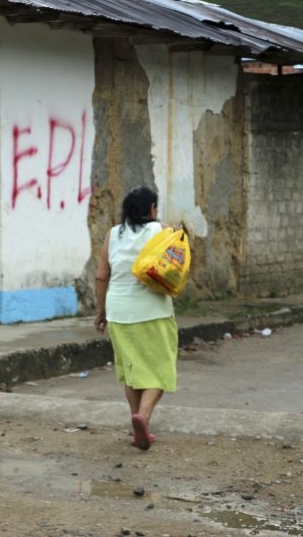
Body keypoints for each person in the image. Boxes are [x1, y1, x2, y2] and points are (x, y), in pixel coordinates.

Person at [93, 185, 178, 451]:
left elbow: (101, 276)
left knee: (131, 372)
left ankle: (137, 427)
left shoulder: (112, 234)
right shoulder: (161, 230)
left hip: (119, 311)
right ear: (152, 208)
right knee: (160, 368)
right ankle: (143, 417)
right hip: (152, 310)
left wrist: (101, 312)